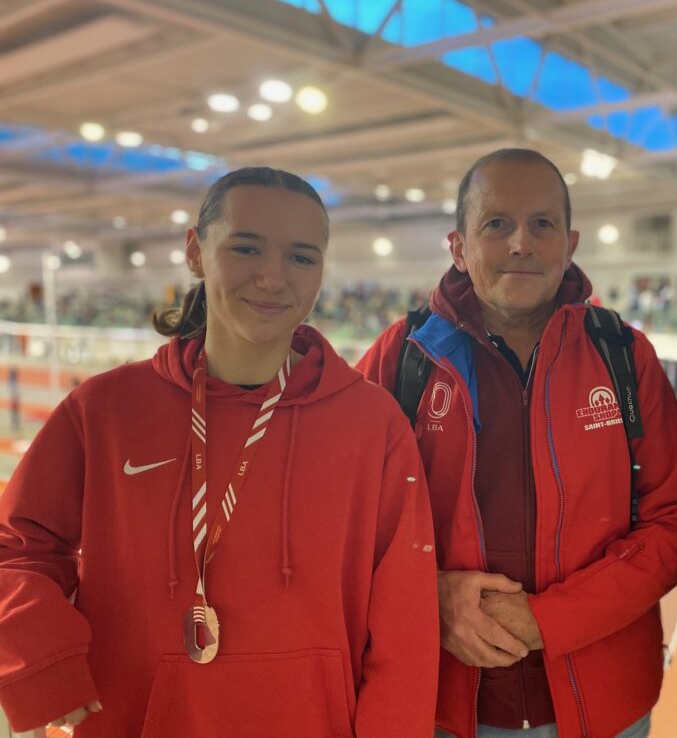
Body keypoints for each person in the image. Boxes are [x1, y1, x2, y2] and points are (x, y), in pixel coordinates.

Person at [0, 167, 439, 737]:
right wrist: (42, 665)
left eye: (302, 257)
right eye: (246, 247)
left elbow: (404, 615)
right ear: (195, 251)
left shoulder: (373, 423)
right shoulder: (105, 410)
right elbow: (18, 545)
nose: (272, 277)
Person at [358, 148, 677, 738]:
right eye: (496, 223)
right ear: (459, 246)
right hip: (444, 704)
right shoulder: (403, 358)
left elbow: (676, 519)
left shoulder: (623, 355)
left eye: (541, 223)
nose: (521, 242)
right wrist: (430, 598)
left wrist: (551, 619)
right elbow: (351, 523)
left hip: (606, 707)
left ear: (569, 244)